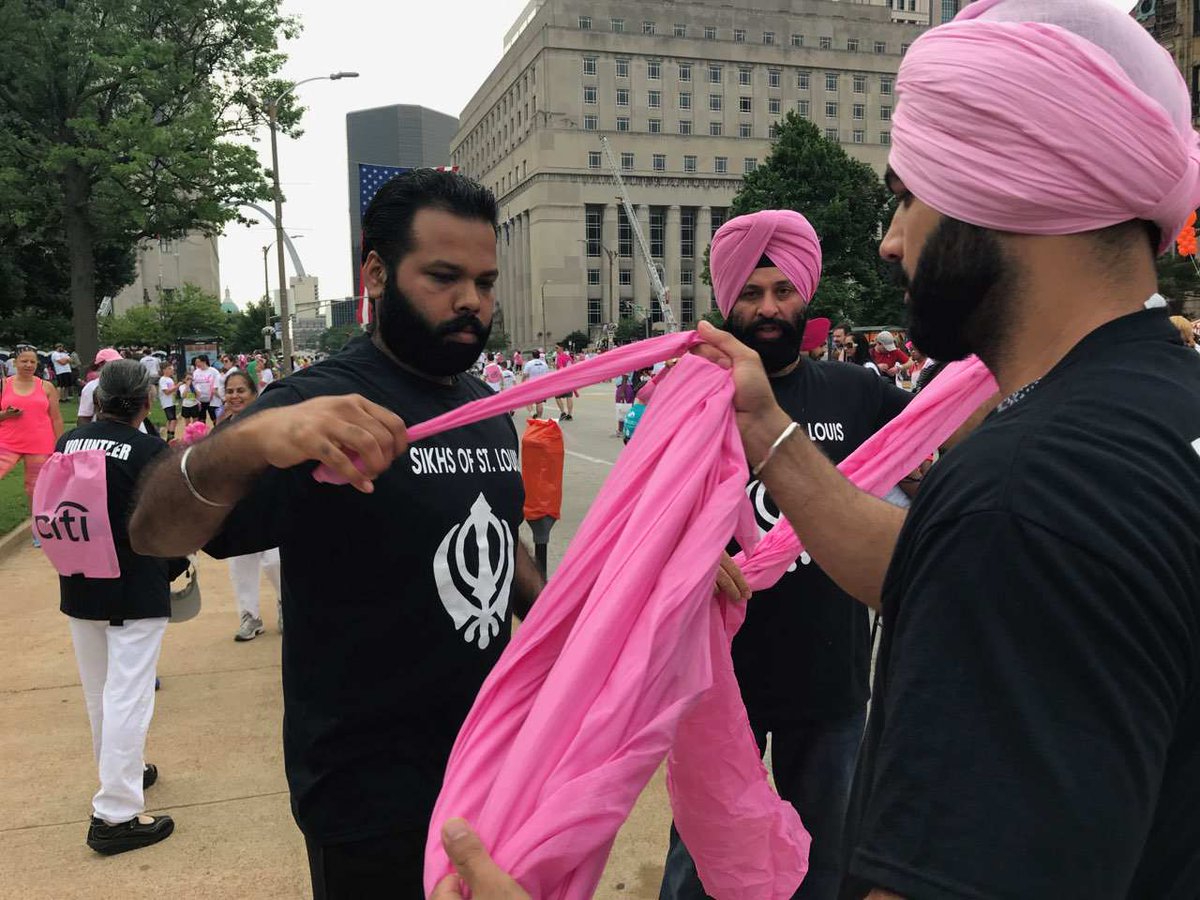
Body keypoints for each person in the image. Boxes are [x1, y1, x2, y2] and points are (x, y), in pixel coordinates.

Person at [128, 169, 545, 899]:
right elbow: (153, 531)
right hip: (368, 797)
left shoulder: (485, 407)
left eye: (484, 281)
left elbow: (500, 543)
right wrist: (250, 438)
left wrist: (577, 619)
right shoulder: (314, 403)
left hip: (492, 768)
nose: (471, 301)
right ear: (376, 274)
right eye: (443, 276)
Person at [659, 211, 911, 900]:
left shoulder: (858, 392)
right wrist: (685, 554)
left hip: (830, 682)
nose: (768, 308)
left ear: (806, 293)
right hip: (717, 681)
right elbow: (645, 517)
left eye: (782, 290)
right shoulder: (688, 397)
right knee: (701, 862)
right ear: (726, 300)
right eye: (750, 293)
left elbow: (939, 462)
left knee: (825, 866)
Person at [54, 360, 177, 855]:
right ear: (146, 404)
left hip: (80, 580)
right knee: (128, 694)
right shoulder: (149, 451)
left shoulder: (68, 442)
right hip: (133, 584)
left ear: (99, 400)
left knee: (100, 691)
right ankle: (116, 814)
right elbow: (168, 523)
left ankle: (122, 771)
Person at [215, 370, 283, 642]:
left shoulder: (268, 423)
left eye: (241, 390)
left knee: (275, 561)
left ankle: (285, 603)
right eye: (230, 391)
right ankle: (249, 616)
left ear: (254, 394)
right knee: (241, 565)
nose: (235, 396)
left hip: (270, 506)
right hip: (236, 510)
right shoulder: (221, 430)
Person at [0, 347, 65, 544]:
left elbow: (56, 418)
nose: (28, 365)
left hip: (40, 443)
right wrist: (6, 414)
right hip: (7, 441)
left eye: (32, 362)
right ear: (15, 363)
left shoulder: (47, 387)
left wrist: (59, 445)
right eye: (24, 361)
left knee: (36, 488)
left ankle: (39, 529)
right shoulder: (3, 384)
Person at [77, 348, 125, 426]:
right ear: (101, 365)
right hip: (101, 429)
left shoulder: (128, 384)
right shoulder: (91, 387)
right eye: (113, 363)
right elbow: (84, 417)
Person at [520, 349, 550, 418]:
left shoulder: (529, 363)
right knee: (539, 402)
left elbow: (525, 375)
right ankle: (539, 417)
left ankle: (532, 413)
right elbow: (547, 375)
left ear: (532, 355)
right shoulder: (544, 364)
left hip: (532, 385)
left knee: (527, 400)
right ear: (539, 355)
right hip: (541, 385)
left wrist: (522, 383)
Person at [189, 355, 218, 424]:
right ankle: (202, 430)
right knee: (201, 420)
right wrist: (193, 398)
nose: (197, 364)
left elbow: (218, 383)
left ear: (204, 361)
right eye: (196, 362)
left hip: (212, 400)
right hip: (200, 401)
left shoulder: (213, 371)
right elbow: (193, 385)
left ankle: (217, 430)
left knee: (215, 419)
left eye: (198, 362)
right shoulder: (196, 372)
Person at [552, 345, 575, 421]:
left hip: (561, 379)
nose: (555, 349)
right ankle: (570, 414)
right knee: (569, 396)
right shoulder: (569, 357)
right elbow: (572, 367)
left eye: (557, 348)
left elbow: (561, 368)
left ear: (561, 348)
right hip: (569, 379)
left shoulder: (559, 357)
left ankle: (563, 412)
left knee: (557, 396)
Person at [157, 363, 179, 441]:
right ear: (164, 370)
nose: (172, 370)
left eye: (172, 369)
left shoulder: (170, 379)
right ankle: (171, 437)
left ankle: (169, 436)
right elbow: (166, 392)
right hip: (166, 403)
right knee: (173, 419)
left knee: (171, 420)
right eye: (169, 369)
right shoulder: (163, 379)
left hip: (172, 402)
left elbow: (172, 391)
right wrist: (177, 386)